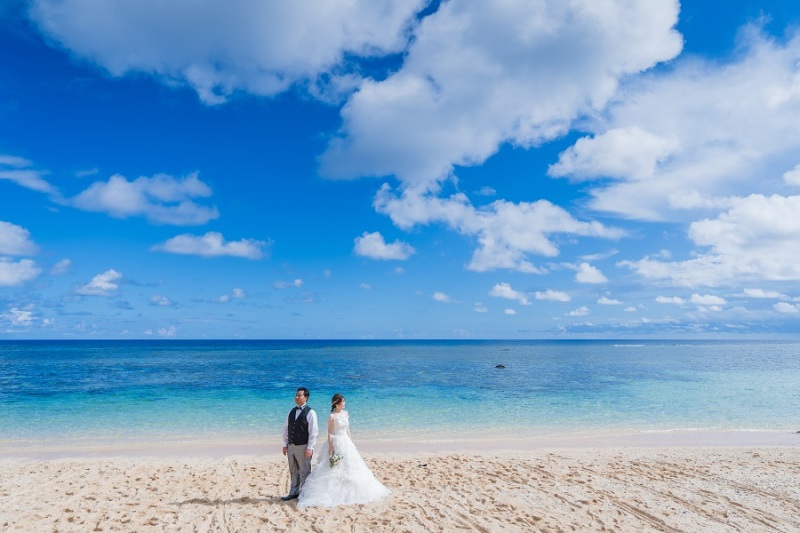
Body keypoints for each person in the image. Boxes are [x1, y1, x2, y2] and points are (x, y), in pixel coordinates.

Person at [297, 393, 390, 508]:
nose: (344, 404)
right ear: (336, 404)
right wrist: (331, 446)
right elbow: (330, 432)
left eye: (344, 402)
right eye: (342, 402)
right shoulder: (332, 416)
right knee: (333, 467)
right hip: (336, 441)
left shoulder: (345, 413)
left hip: (346, 442)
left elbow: (347, 429)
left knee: (351, 466)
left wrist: (351, 443)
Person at [281, 387, 318, 501]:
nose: (296, 397)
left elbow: (313, 432)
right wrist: (285, 444)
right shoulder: (291, 411)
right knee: (293, 470)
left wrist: (310, 448)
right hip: (291, 446)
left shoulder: (311, 412)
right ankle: (294, 491)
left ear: (305, 397)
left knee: (304, 471)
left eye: (299, 395)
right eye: (296, 395)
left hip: (303, 446)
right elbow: (286, 428)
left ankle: (304, 494)